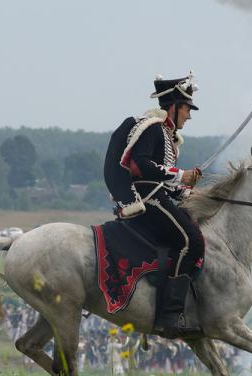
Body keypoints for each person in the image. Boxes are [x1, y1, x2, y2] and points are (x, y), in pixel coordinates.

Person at [103, 72, 205, 338]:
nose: (189, 116)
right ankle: (169, 316)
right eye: (187, 109)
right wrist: (180, 174)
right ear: (173, 106)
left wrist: (186, 189)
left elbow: (165, 180)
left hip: (157, 193)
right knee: (190, 241)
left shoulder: (167, 135)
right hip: (146, 197)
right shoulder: (154, 128)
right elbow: (140, 166)